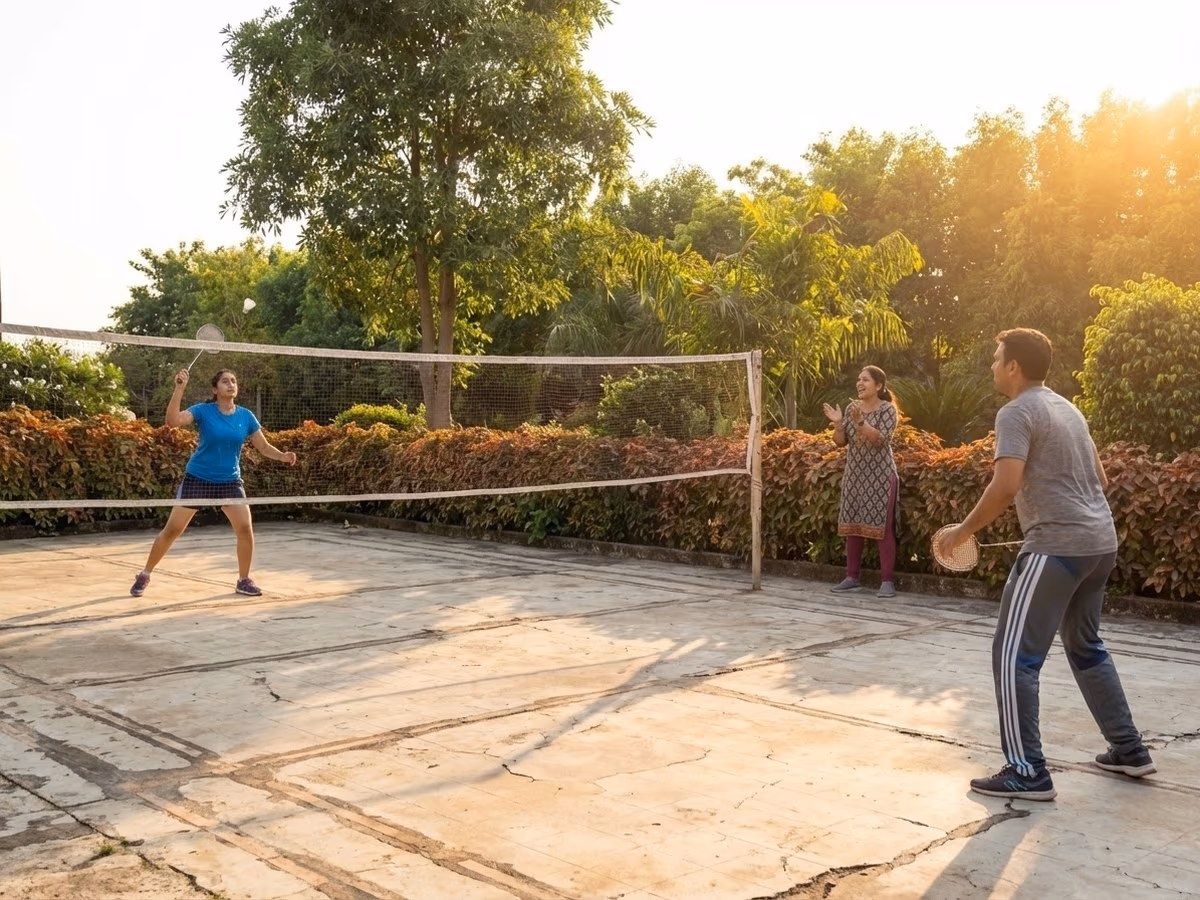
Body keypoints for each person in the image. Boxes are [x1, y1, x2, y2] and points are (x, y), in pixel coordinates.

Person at [936, 328, 1154, 801]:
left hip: (1057, 548)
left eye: (996, 359)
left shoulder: (1016, 411)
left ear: (1014, 366)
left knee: (1014, 655)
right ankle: (1130, 750)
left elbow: (1005, 486)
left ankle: (1026, 770)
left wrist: (961, 532)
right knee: (1086, 645)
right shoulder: (1067, 407)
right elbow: (1098, 476)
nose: (992, 366)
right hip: (1100, 543)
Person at [130, 368, 297, 598]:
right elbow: (172, 422)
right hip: (198, 478)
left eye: (233, 381)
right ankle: (145, 573)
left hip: (229, 481)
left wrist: (282, 456)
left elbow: (263, 447)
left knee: (245, 529)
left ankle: (243, 580)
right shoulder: (203, 411)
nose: (231, 384)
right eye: (225, 381)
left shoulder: (246, 416)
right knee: (173, 530)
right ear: (215, 389)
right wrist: (179, 388)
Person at [822, 365, 900, 598]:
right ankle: (852, 577)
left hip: (881, 477)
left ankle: (887, 582)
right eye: (858, 379)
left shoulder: (888, 410)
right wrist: (838, 424)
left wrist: (859, 422)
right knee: (853, 526)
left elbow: (880, 440)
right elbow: (840, 442)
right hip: (855, 475)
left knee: (882, 529)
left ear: (878, 385)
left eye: (865, 380)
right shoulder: (851, 408)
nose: (860, 383)